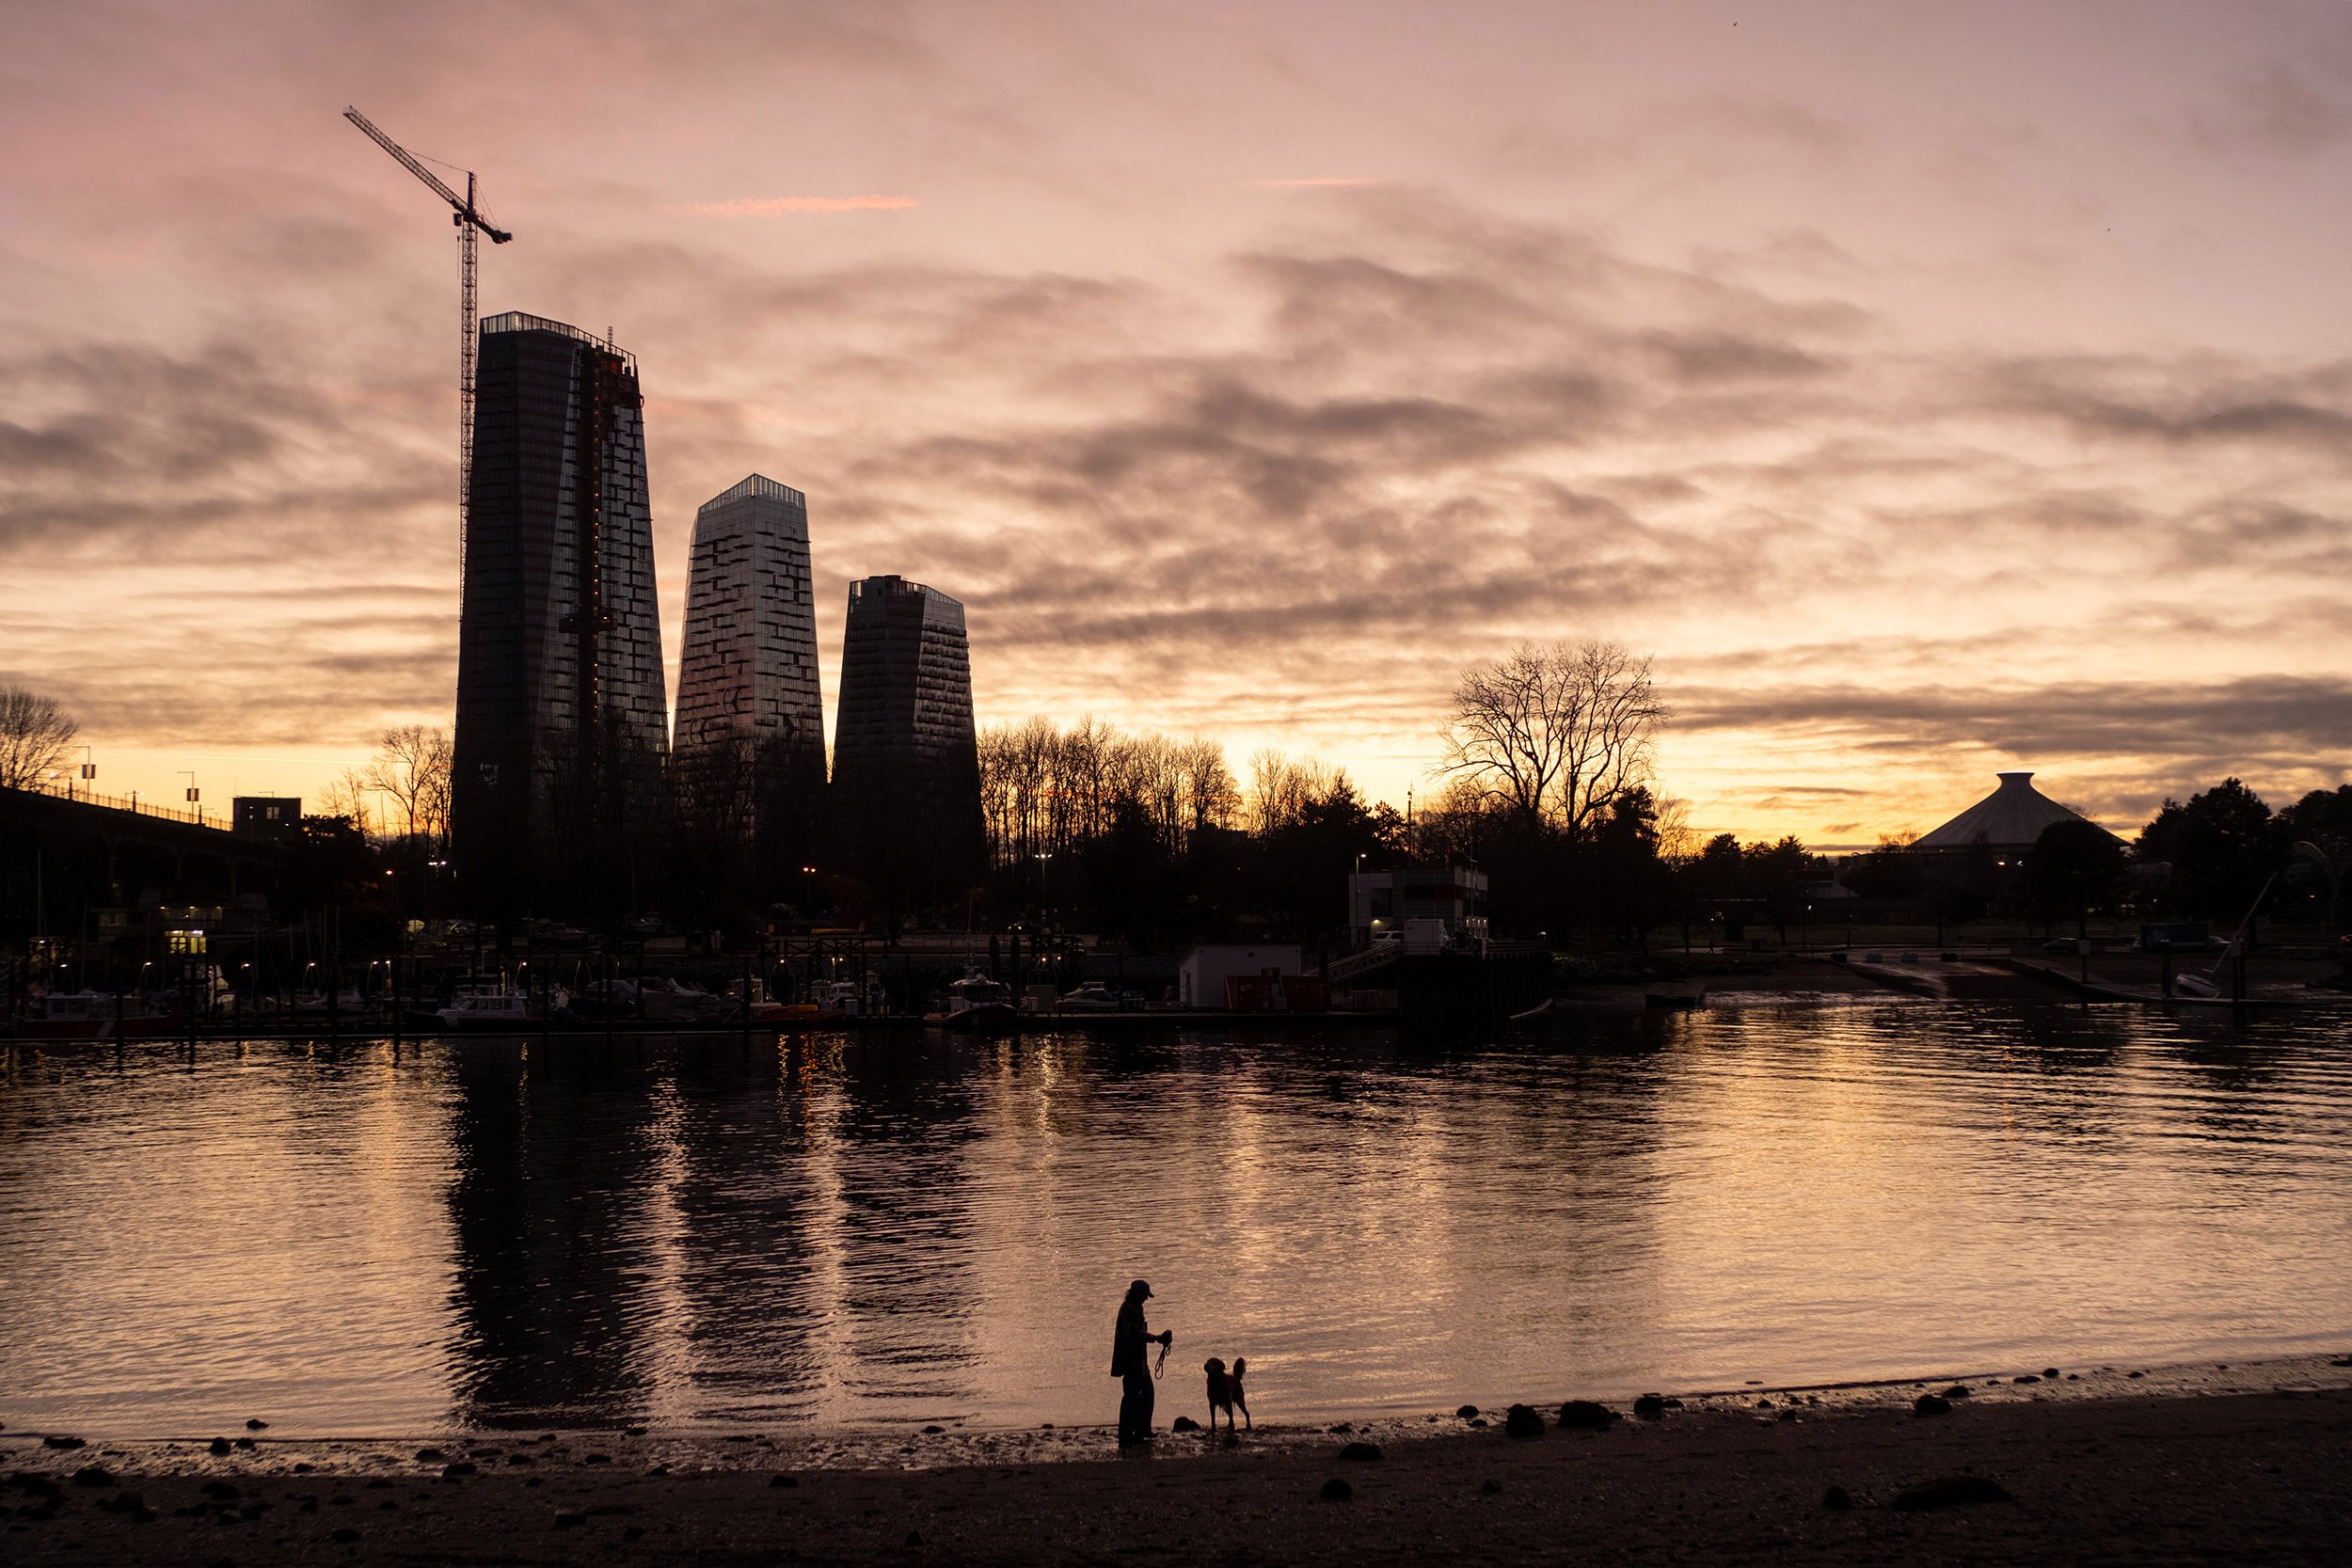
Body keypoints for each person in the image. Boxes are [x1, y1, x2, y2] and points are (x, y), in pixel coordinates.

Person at [1109, 1278, 1172, 1447]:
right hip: (1131, 1362)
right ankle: (1126, 1435)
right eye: (1145, 1295)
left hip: (1139, 1361)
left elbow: (1137, 1333)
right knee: (1131, 1397)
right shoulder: (1129, 1310)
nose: (1146, 1299)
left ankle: (1142, 1429)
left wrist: (1155, 1338)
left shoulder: (1135, 1308)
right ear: (1137, 1294)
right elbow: (1134, 1334)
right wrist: (1156, 1338)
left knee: (1147, 1394)